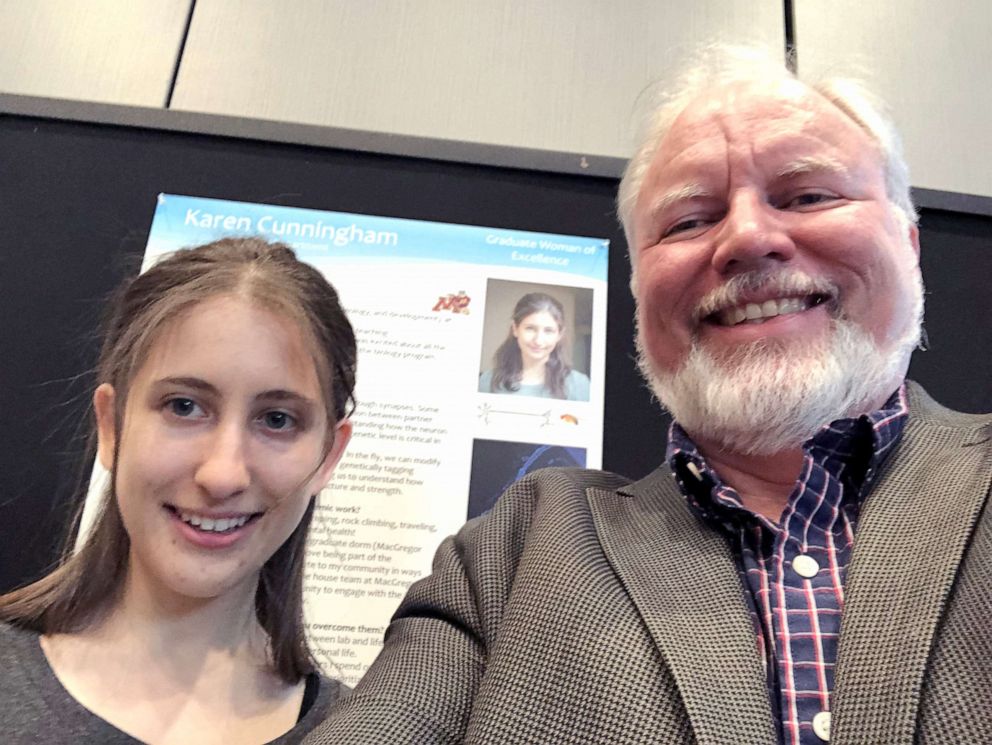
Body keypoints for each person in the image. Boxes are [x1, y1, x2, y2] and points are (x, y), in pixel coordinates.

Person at [309, 46, 992, 744]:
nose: (748, 237)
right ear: (639, 293)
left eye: (809, 195)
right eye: (690, 219)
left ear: (908, 244)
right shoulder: (511, 552)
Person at [0, 238, 357, 744]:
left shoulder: (358, 731)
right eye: (184, 407)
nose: (223, 474)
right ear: (111, 424)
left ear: (329, 454)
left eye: (277, 419)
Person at [478, 292, 590, 400]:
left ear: (559, 334)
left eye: (548, 330)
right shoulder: (487, 381)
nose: (538, 340)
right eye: (530, 328)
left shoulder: (579, 385)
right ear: (515, 329)